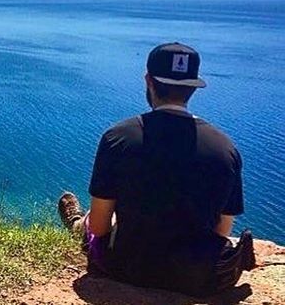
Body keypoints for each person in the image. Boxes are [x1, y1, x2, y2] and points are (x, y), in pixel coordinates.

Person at [58, 42, 256, 296]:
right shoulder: (225, 148)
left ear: (148, 81)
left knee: (91, 224)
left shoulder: (118, 138)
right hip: (197, 277)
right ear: (193, 87)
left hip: (126, 268)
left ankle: (76, 222)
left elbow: (99, 226)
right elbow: (222, 230)